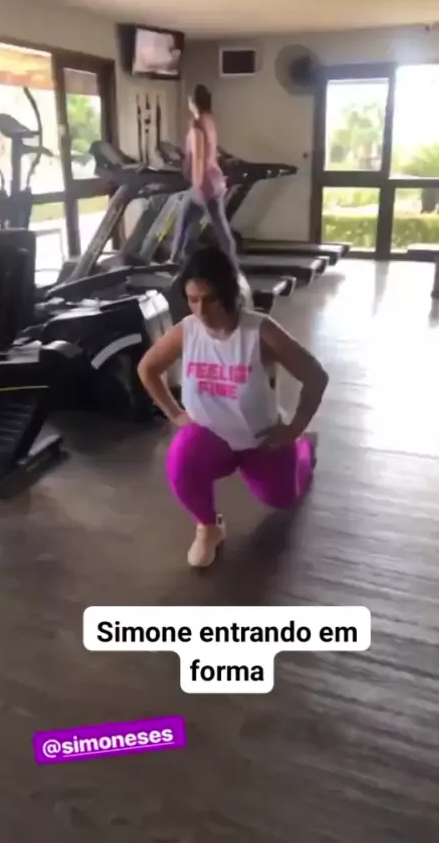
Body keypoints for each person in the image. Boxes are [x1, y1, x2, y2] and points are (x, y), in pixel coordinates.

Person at [138, 246, 329, 568]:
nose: (201, 310)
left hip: (261, 441)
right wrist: (176, 414)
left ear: (228, 294)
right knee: (180, 462)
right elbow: (147, 368)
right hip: (211, 438)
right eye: (193, 299)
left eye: (210, 299)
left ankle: (304, 448)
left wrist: (294, 428)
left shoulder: (260, 331)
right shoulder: (187, 330)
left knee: (281, 499)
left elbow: (316, 377)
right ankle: (209, 527)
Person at [170, 84, 238, 268]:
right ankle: (231, 263)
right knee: (216, 225)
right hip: (217, 180)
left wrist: (199, 185)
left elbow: (198, 157)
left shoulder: (197, 124)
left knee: (185, 219)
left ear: (193, 102)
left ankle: (174, 261)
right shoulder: (209, 122)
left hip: (204, 182)